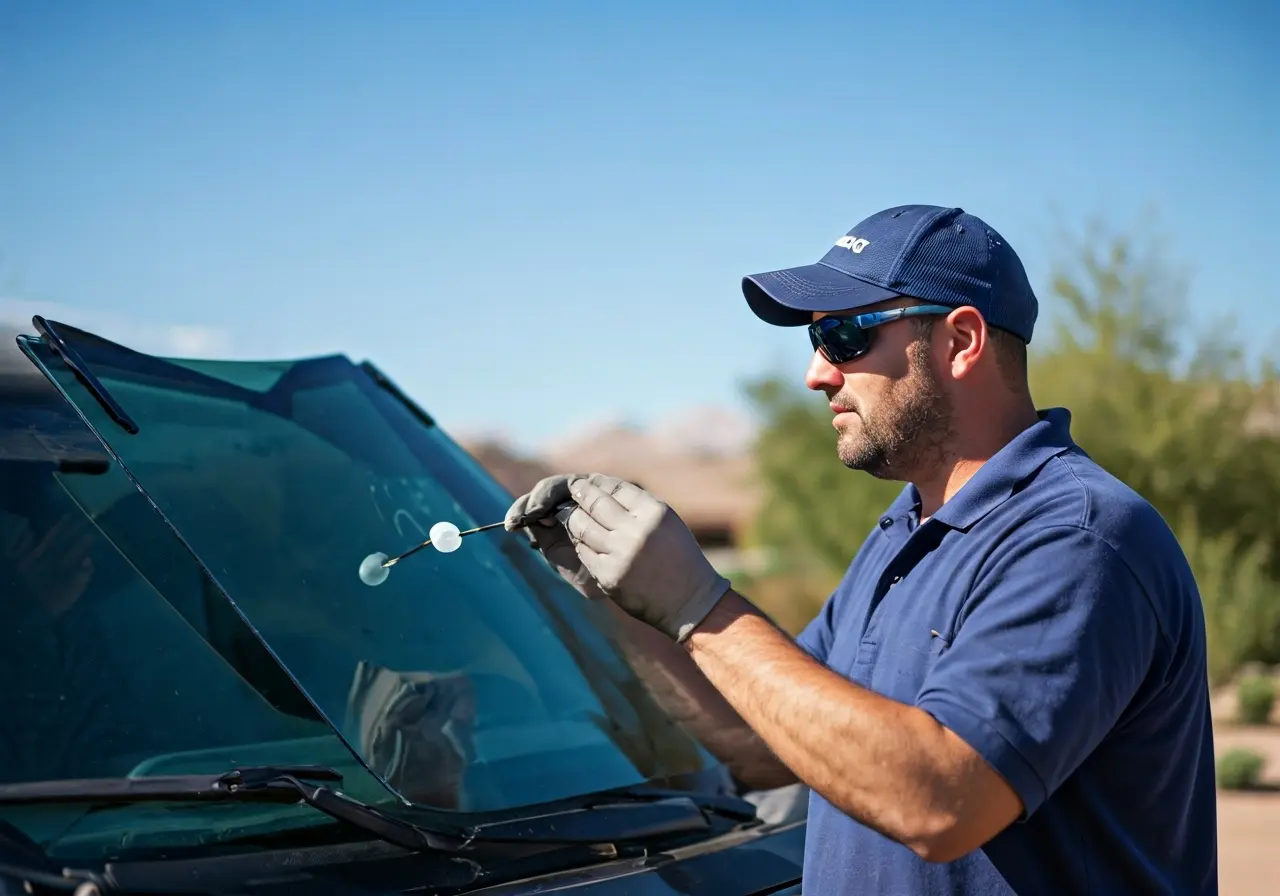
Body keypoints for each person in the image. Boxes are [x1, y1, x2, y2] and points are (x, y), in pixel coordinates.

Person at [504, 205, 1218, 895]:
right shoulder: (905, 530)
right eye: (813, 343)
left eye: (844, 337)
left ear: (962, 341)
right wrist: (629, 606)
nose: (817, 374)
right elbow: (768, 742)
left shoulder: (1076, 538)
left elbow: (940, 803)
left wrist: (699, 603)